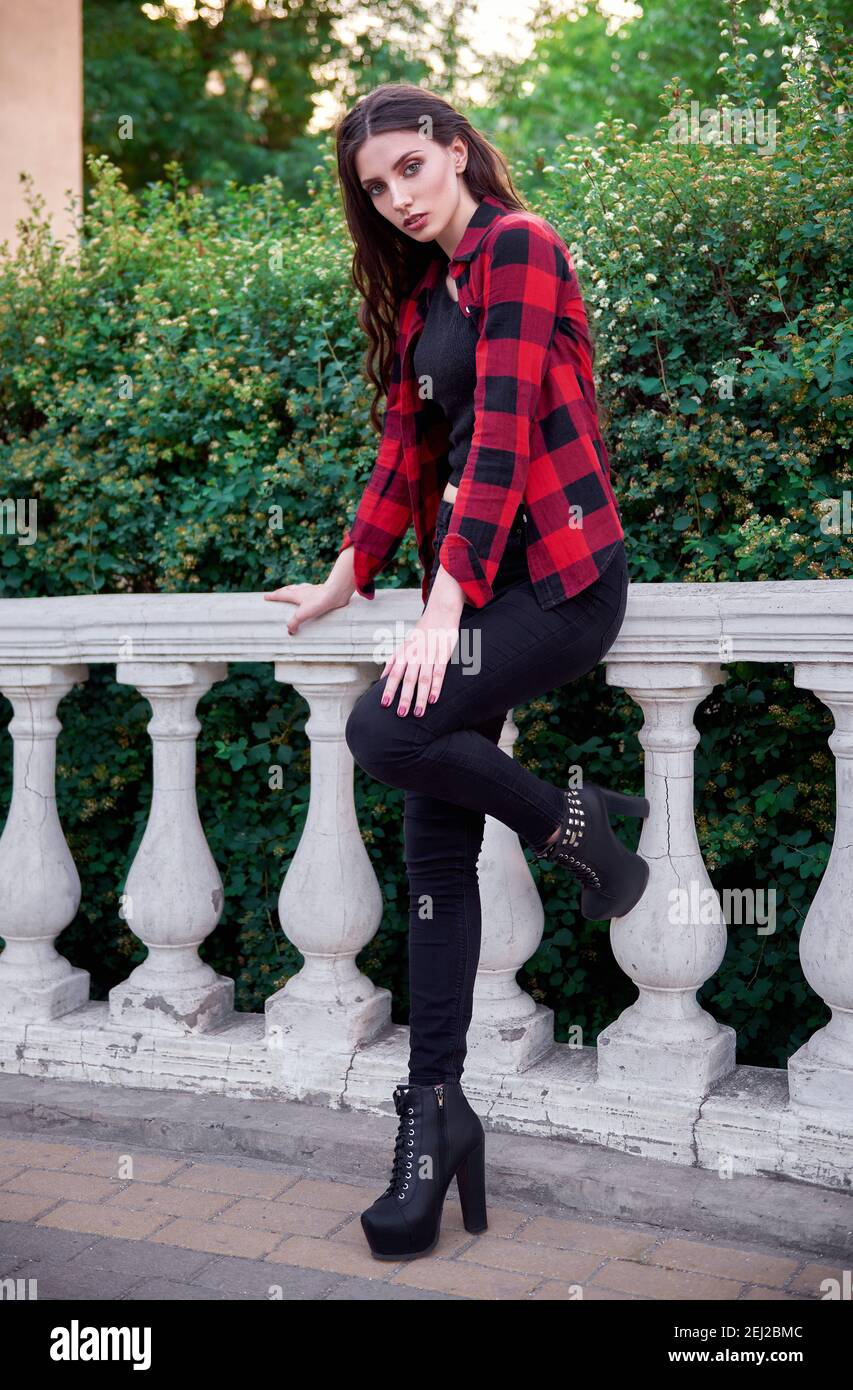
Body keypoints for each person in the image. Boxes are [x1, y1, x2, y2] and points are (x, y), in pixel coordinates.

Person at [264, 82, 649, 1262]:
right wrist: (346, 574)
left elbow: (500, 426)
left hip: (562, 582)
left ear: (456, 149)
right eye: (376, 191)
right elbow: (408, 450)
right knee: (431, 849)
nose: (396, 201)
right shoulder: (428, 296)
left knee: (383, 732)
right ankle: (434, 1121)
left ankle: (581, 826)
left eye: (409, 172)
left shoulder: (521, 250)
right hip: (479, 589)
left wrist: (442, 600)